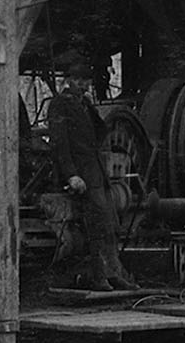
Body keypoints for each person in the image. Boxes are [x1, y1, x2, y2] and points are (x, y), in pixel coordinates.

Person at [46, 47, 130, 291]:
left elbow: (100, 132)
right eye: (79, 81)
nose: (83, 85)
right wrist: (71, 174)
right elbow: (60, 144)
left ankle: (114, 273)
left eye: (85, 82)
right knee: (96, 224)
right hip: (82, 174)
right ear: (68, 81)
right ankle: (99, 276)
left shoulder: (83, 105)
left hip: (97, 174)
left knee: (110, 223)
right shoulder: (59, 105)